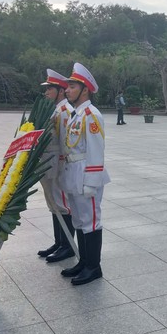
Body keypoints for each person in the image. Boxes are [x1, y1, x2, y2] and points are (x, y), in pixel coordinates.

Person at [59, 62, 110, 285]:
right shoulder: (76, 114)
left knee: (91, 221)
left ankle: (93, 267)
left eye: (71, 86)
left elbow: (96, 150)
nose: (67, 90)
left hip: (86, 176)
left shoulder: (91, 114)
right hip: (74, 173)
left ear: (85, 89)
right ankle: (84, 261)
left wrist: (92, 181)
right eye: (67, 87)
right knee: (80, 221)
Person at [38, 69, 76, 263]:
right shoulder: (54, 109)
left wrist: (63, 168)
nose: (46, 92)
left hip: (57, 164)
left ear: (60, 91)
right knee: (52, 203)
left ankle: (67, 246)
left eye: (50, 89)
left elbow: (65, 143)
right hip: (47, 163)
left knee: (61, 204)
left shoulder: (64, 112)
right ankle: (59, 242)